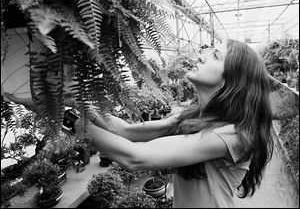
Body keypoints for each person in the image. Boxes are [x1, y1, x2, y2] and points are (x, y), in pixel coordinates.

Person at [4, 39, 274, 208]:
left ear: (232, 80)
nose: (202, 55)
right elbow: (125, 131)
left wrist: (69, 119)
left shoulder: (232, 135)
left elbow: (136, 157)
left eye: (215, 55)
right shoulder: (193, 117)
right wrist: (75, 99)